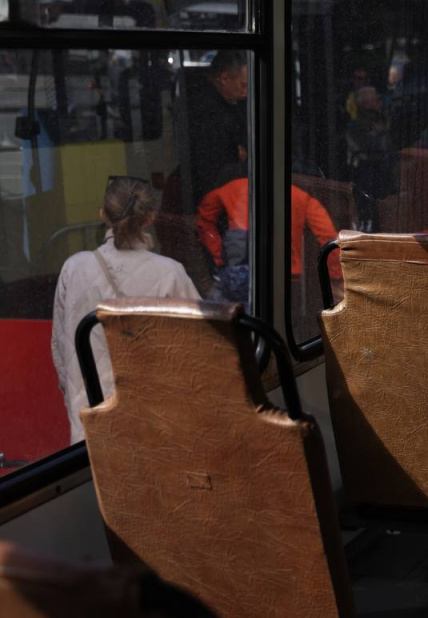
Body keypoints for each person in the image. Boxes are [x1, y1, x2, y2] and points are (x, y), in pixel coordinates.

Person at [51, 177, 200, 445]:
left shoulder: (73, 269)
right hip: (157, 429)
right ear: (149, 218)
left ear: (103, 216)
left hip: (90, 429)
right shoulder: (171, 273)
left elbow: (60, 352)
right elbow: (199, 351)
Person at [195, 168, 341, 302]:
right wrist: (336, 277)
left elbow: (203, 221)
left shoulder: (231, 188)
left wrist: (219, 254)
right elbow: (328, 237)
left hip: (241, 270)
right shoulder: (302, 197)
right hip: (287, 276)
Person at [179, 50, 248, 212]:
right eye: (242, 85)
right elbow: (216, 164)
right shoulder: (209, 113)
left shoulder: (223, 103)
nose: (246, 92)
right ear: (224, 78)